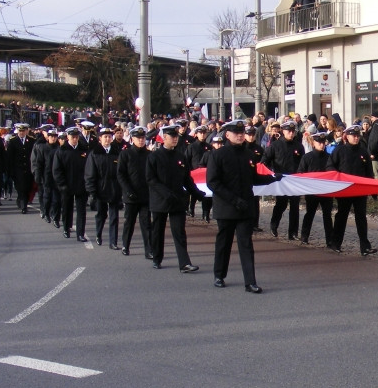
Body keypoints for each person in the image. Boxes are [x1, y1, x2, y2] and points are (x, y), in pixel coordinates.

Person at [206, 120, 279, 293]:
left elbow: (253, 178)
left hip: (245, 206)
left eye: (241, 133)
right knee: (224, 243)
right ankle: (219, 275)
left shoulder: (248, 155)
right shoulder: (218, 155)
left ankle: (250, 281)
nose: (240, 135)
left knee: (246, 244)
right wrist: (233, 200)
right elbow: (213, 182)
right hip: (226, 207)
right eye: (236, 133)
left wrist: (272, 178)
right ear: (227, 135)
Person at [147, 124, 202, 272]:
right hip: (160, 200)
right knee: (158, 231)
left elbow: (187, 179)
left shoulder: (180, 157)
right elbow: (151, 180)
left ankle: (184, 263)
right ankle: (157, 258)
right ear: (164, 138)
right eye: (172, 137)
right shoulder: (154, 156)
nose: (175, 139)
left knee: (179, 232)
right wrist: (165, 193)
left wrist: (197, 193)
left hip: (177, 200)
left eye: (176, 137)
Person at [328, 125, 377, 255]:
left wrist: (373, 190)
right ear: (347, 136)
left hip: (359, 190)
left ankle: (365, 247)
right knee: (342, 216)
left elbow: (369, 172)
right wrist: (336, 181)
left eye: (357, 135)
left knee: (361, 217)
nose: (356, 137)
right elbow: (330, 167)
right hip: (345, 189)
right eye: (353, 135)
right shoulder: (340, 151)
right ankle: (336, 243)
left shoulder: (363, 151)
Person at [263, 119, 304, 239]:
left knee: (295, 206)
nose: (291, 133)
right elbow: (265, 160)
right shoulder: (275, 145)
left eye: (293, 131)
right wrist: (271, 173)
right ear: (283, 131)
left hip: (294, 180)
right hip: (281, 180)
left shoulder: (298, 146)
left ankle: (293, 232)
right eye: (288, 131)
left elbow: (302, 163)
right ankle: (274, 225)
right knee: (281, 204)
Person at [117, 126, 152, 258]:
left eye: (143, 138)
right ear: (132, 139)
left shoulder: (149, 155)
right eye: (138, 138)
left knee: (146, 223)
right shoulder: (125, 154)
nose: (141, 140)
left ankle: (149, 250)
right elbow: (121, 174)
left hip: (145, 195)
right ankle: (126, 245)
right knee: (129, 222)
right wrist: (127, 190)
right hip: (131, 195)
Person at [85, 127, 122, 249]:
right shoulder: (95, 153)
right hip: (100, 189)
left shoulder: (117, 152)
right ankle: (98, 234)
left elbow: (122, 171)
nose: (107, 139)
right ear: (100, 139)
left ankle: (113, 241)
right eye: (105, 137)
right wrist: (92, 191)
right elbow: (90, 174)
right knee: (101, 214)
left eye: (109, 137)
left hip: (114, 189)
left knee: (114, 216)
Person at [53, 126, 89, 241]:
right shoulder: (62, 150)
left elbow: (88, 168)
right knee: (67, 208)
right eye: (72, 137)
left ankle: (80, 233)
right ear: (67, 137)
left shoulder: (83, 149)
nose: (75, 139)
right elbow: (57, 170)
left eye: (76, 137)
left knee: (81, 211)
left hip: (81, 185)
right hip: (67, 185)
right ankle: (66, 228)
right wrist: (62, 184)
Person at [297, 131, 334, 245]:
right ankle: (304, 236)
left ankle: (330, 240)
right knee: (310, 213)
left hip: (326, 190)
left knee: (327, 215)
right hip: (312, 191)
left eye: (323, 142)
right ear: (313, 143)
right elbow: (300, 173)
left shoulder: (329, 157)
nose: (322, 144)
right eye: (319, 142)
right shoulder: (307, 157)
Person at [7, 123, 36, 213]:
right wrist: (10, 170)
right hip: (18, 169)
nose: (22, 133)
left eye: (23, 131)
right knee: (21, 188)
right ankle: (24, 206)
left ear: (26, 131)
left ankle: (23, 200)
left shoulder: (31, 141)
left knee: (28, 188)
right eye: (20, 131)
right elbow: (10, 157)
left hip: (28, 169)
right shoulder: (13, 141)